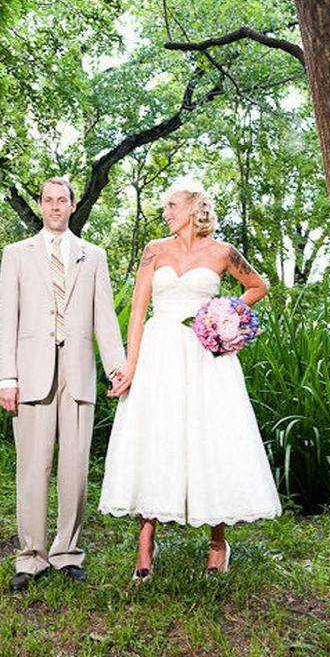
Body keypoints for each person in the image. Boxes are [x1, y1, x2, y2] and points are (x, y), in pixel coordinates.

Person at [99, 179, 281, 580]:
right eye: (164, 207)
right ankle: (146, 540)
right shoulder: (154, 250)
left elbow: (258, 286)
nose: (165, 213)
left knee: (209, 438)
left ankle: (219, 542)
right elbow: (137, 310)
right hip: (160, 352)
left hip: (206, 357)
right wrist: (130, 366)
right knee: (156, 438)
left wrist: (223, 314)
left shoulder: (223, 253)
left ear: (195, 206)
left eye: (172, 205)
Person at [0, 177, 127, 589]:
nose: (54, 206)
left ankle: (67, 552)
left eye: (61, 200)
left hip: (78, 376)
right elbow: (6, 321)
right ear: (40, 206)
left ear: (72, 206)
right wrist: (7, 377)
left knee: (75, 467)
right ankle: (30, 556)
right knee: (32, 468)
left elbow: (105, 318)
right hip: (30, 375)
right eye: (48, 200)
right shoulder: (16, 254)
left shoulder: (94, 256)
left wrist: (117, 369)